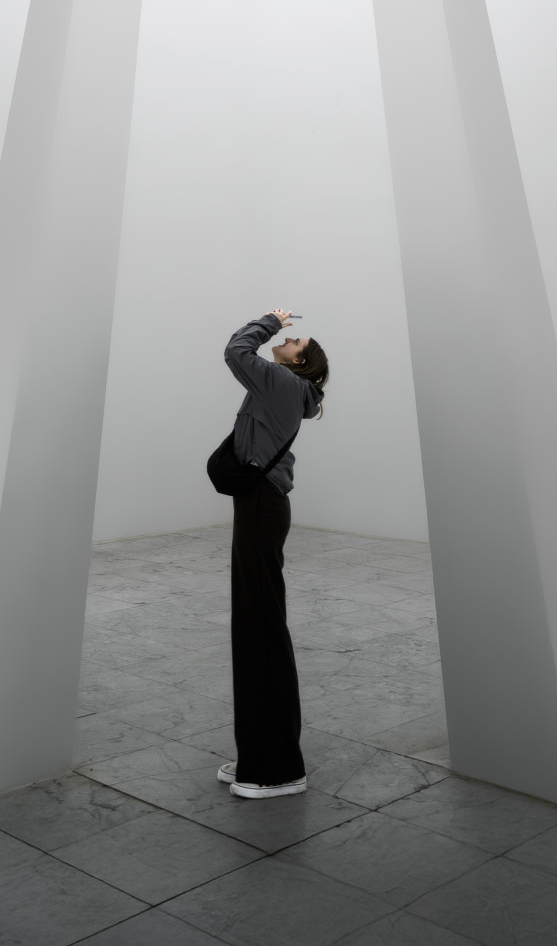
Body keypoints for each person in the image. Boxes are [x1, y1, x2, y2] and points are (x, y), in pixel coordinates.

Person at [218, 303, 330, 800]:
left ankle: (279, 769)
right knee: (254, 625)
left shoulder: (281, 382)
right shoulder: (286, 386)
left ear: (300, 362)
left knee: (260, 627)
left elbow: (236, 350)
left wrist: (269, 320)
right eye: (287, 335)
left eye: (294, 342)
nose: (286, 340)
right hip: (260, 503)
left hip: (263, 505)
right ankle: (257, 755)